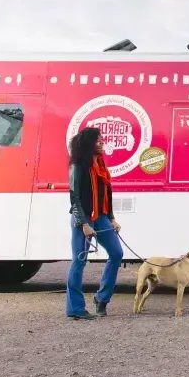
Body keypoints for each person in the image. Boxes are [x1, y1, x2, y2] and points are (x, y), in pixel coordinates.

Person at [65, 127, 124, 320]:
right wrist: (83, 223)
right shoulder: (77, 166)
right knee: (79, 261)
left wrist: (112, 218)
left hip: (101, 216)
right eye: (98, 140)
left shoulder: (100, 165)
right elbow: (74, 197)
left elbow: (106, 194)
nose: (102, 142)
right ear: (90, 143)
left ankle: (102, 298)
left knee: (116, 253)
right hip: (83, 218)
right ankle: (75, 308)